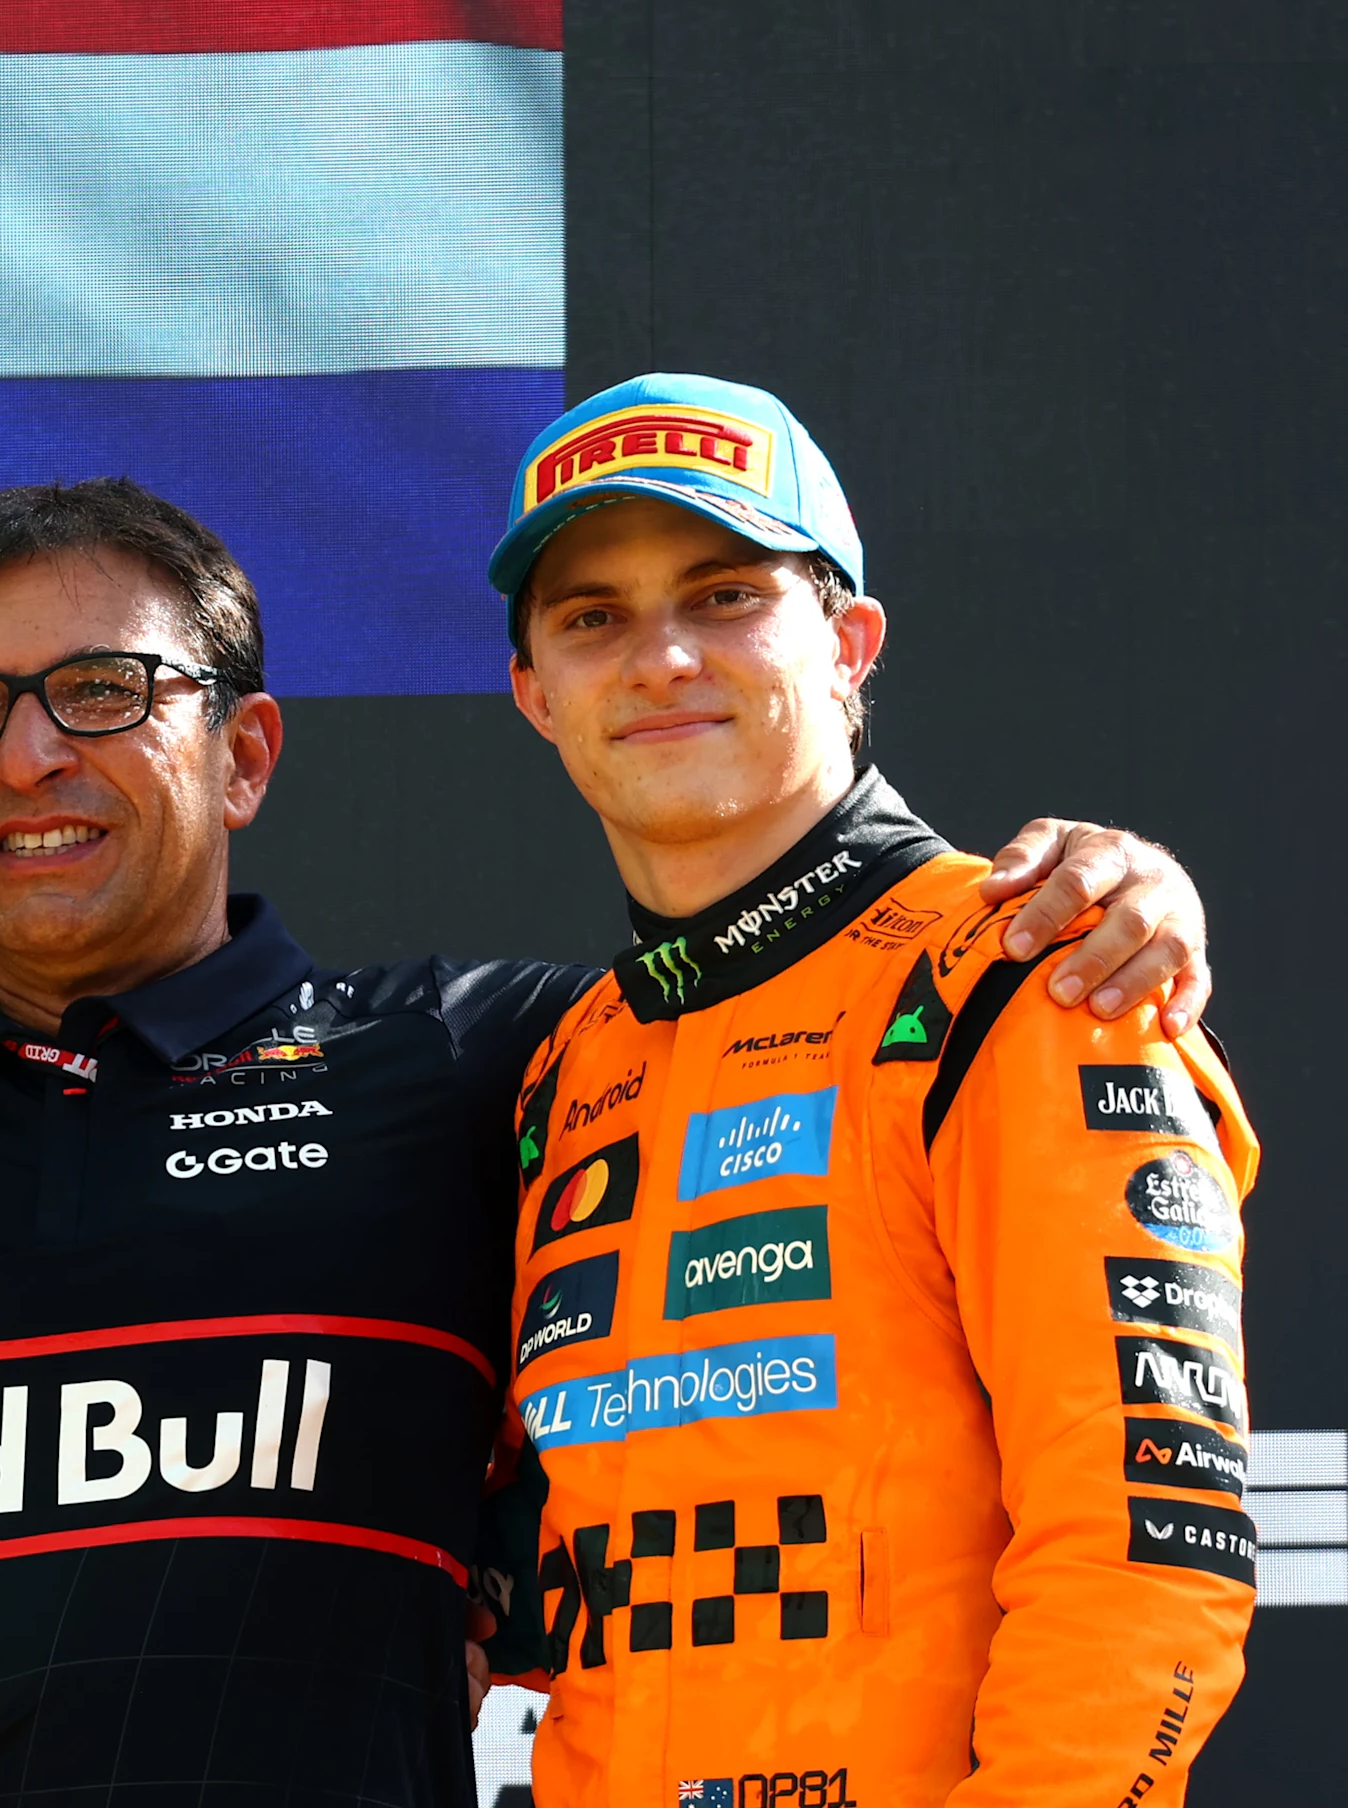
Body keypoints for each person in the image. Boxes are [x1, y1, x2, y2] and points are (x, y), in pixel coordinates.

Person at [0, 477, 1211, 1806]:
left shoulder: (487, 1061)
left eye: (106, 692)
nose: (33, 752)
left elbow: (1135, 1529)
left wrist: (1095, 899)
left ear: (244, 755)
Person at [485, 375, 1256, 1804]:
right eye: (593, 616)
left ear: (848, 643)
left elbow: (1145, 1552)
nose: (659, 658)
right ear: (535, 692)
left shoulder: (1030, 974)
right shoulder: (569, 1064)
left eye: (723, 597)